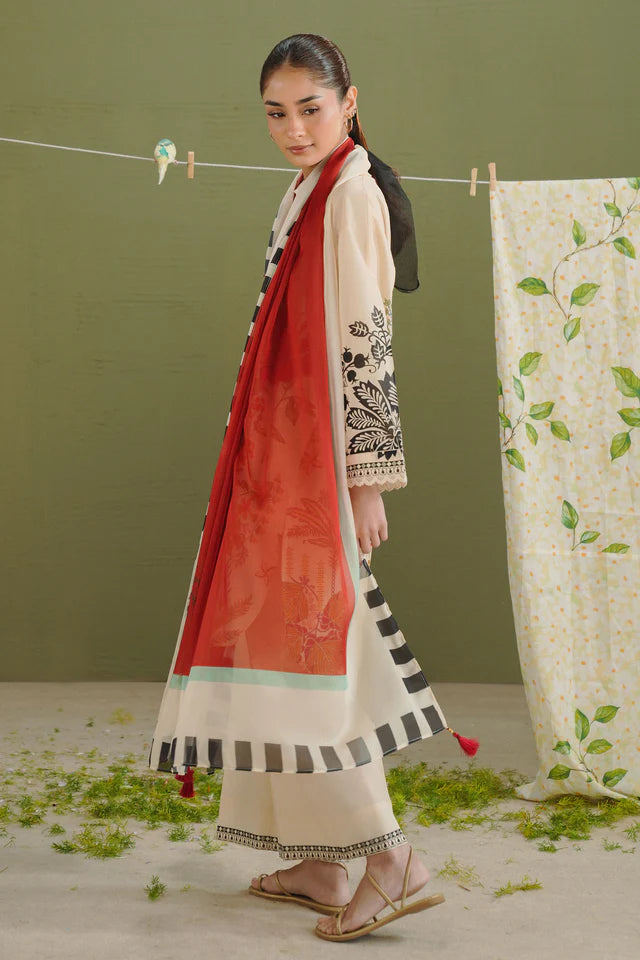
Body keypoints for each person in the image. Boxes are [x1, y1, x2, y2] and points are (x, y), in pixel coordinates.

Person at [147, 33, 477, 942]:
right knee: (272, 651)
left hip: (317, 464)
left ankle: (390, 860)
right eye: (277, 113)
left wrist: (368, 480)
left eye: (311, 109)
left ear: (349, 102)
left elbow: (367, 338)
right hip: (279, 452)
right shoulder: (308, 186)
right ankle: (325, 864)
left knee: (314, 658)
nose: (294, 128)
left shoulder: (352, 192)